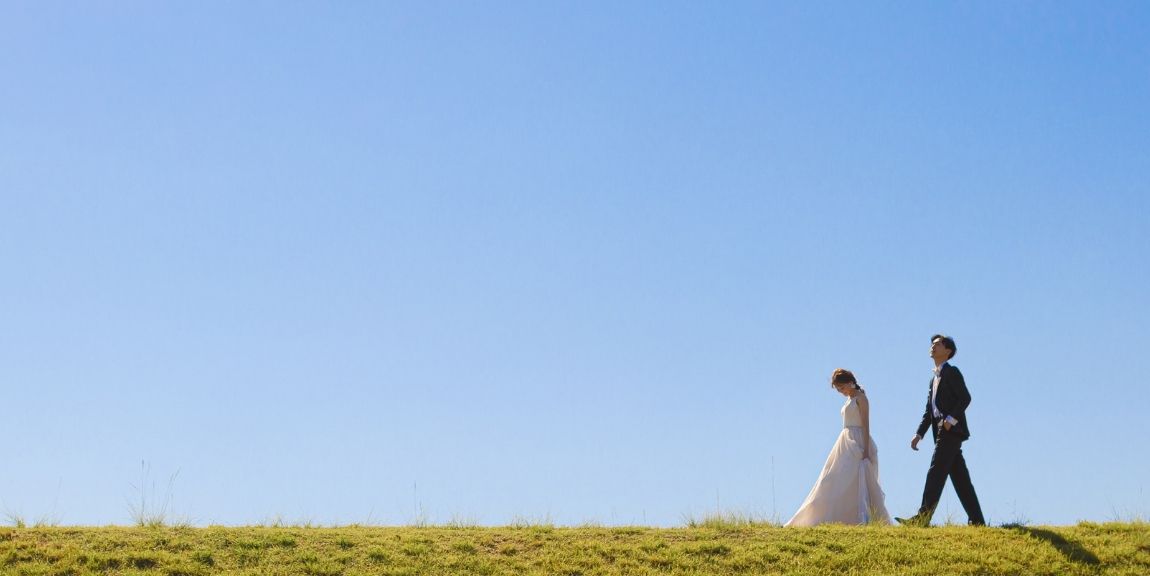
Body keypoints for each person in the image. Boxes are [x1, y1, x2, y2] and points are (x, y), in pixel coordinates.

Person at [896, 334, 986, 526]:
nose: (933, 347)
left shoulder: (952, 372)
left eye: (937, 344)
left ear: (948, 351)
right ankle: (978, 521)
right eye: (932, 344)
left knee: (935, 473)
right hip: (939, 431)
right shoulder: (933, 379)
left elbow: (965, 398)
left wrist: (950, 420)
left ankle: (922, 519)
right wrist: (919, 434)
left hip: (950, 431)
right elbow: (929, 411)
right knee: (960, 479)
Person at [785, 369, 891, 526]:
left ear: (849, 382)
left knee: (856, 481)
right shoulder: (849, 399)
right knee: (831, 479)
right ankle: (815, 517)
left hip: (858, 441)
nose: (841, 392)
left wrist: (866, 449)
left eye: (841, 388)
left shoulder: (861, 398)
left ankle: (861, 519)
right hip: (844, 441)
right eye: (838, 389)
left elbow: (866, 424)